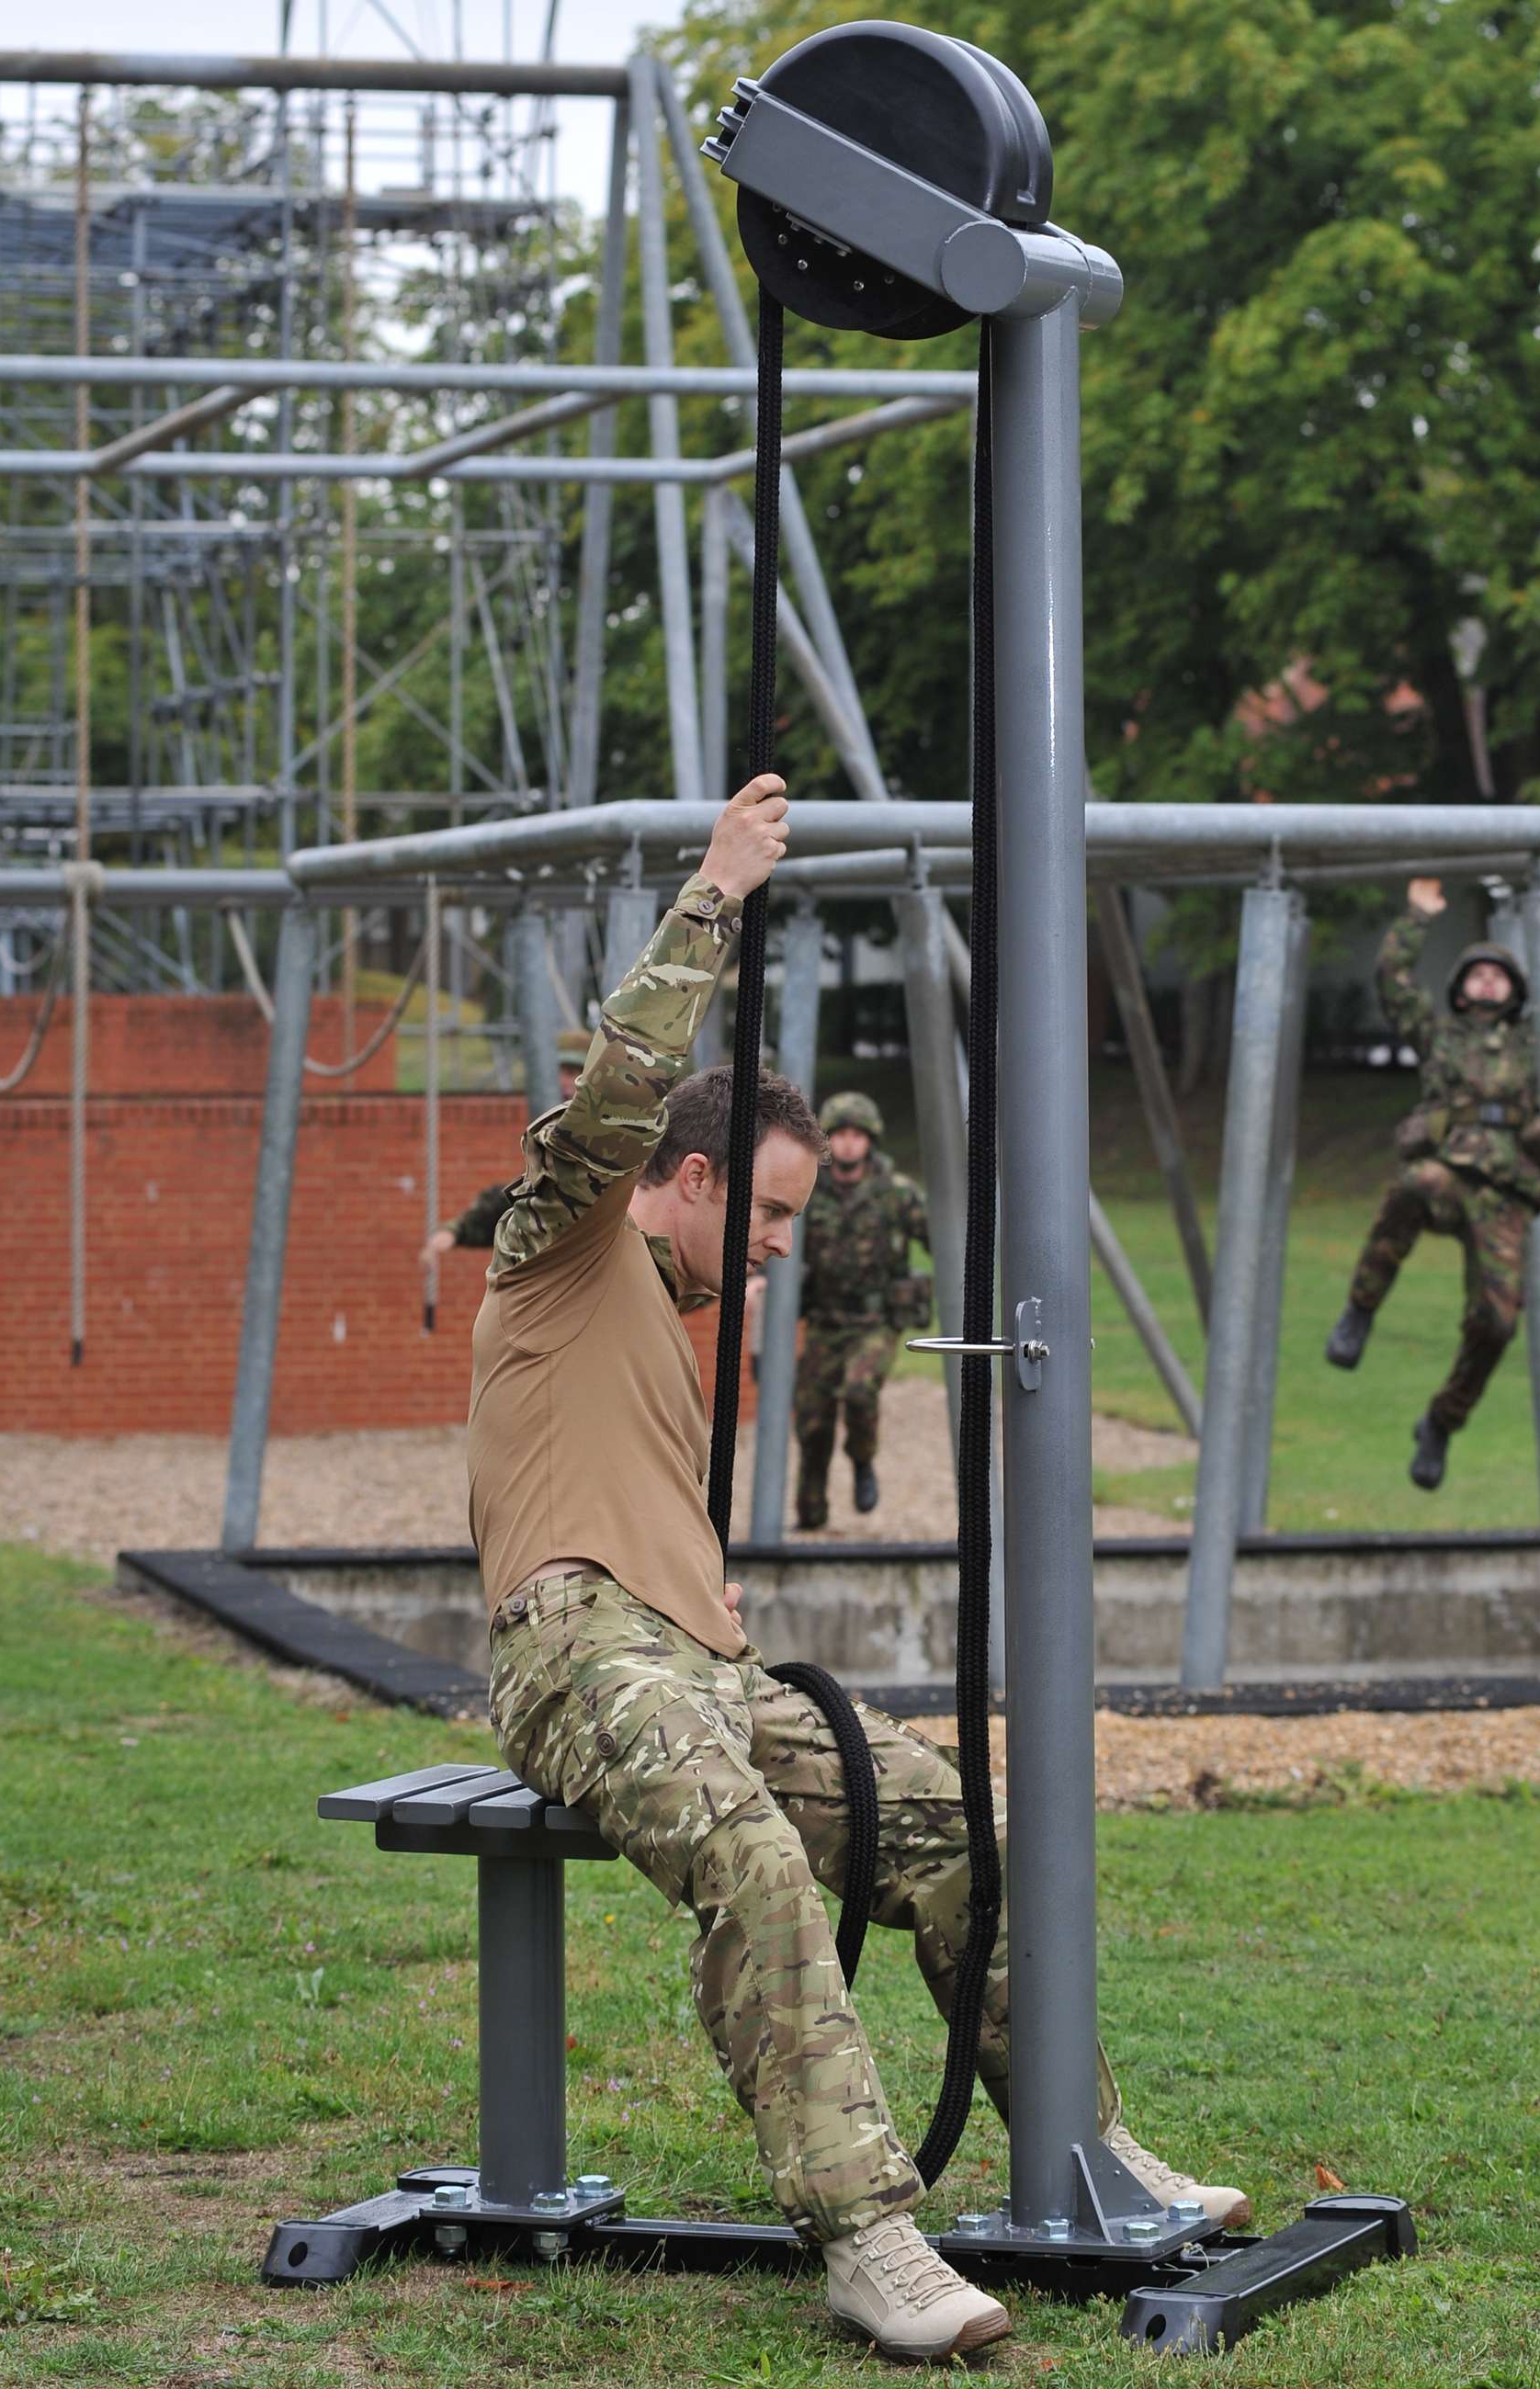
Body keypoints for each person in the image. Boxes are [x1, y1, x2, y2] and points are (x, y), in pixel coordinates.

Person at [471, 774, 1249, 2365]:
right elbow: (620, 1086)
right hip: (569, 1654)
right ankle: (865, 2236)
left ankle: (1076, 2147)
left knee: (967, 1827)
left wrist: (709, 1621)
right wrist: (715, 894)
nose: (778, 1243)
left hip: (692, 1665)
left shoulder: (657, 1318)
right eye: (763, 1209)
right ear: (682, 1177)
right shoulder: (563, 1240)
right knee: (756, 1861)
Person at [1325, 876, 1540, 1489]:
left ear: (1515, 989)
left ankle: (1442, 1422)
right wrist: (1417, 917)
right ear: (1460, 988)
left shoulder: (1535, 1045)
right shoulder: (1442, 1036)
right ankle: (1360, 1309)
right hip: (1452, 1171)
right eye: (1475, 974)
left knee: (1496, 1323)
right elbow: (1393, 984)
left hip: (1505, 1192)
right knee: (1416, 1184)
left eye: (1497, 975)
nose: (1486, 982)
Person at [792, 1093, 931, 1530]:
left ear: (871, 1140)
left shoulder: (897, 1193)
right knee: (812, 1422)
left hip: (875, 1322)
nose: (849, 1144)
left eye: (857, 1135)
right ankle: (811, 1516)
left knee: (858, 1391)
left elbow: (946, 1239)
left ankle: (863, 1461)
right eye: (839, 1135)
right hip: (824, 1320)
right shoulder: (808, 1189)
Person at [421, 1033, 588, 1264]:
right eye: (559, 1073)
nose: (563, 1082)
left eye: (571, 1073)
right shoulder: (550, 1131)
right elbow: (530, 1194)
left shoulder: (610, 1128)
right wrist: (457, 1230)